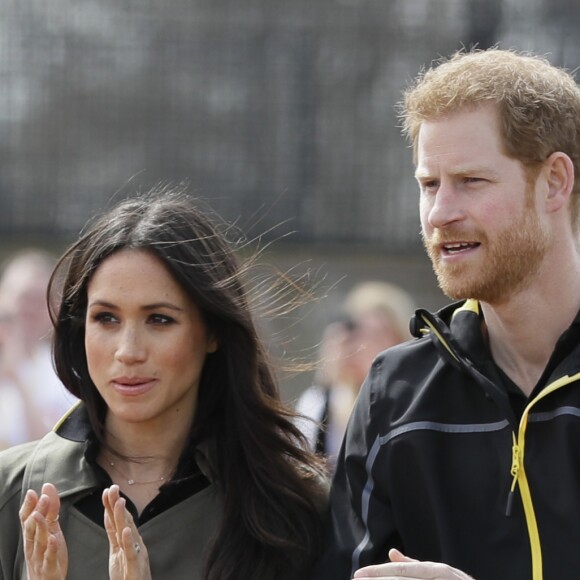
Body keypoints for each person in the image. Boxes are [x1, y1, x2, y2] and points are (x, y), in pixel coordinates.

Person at [311, 47, 580, 580]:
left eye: (470, 181)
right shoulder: (394, 393)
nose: (439, 213)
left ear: (554, 181)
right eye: (428, 184)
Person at [0, 189, 327, 579]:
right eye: (106, 318)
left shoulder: (295, 504)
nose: (128, 351)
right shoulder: (13, 492)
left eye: (159, 319)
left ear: (212, 332)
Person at [296, 281, 415, 471]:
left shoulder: (413, 405)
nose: (363, 345)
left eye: (377, 334)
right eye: (357, 332)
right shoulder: (319, 404)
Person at [0, 250, 76, 449]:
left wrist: (17, 379)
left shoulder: (64, 373)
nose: (30, 309)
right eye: (24, 297)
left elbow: (49, 449)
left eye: (38, 299)